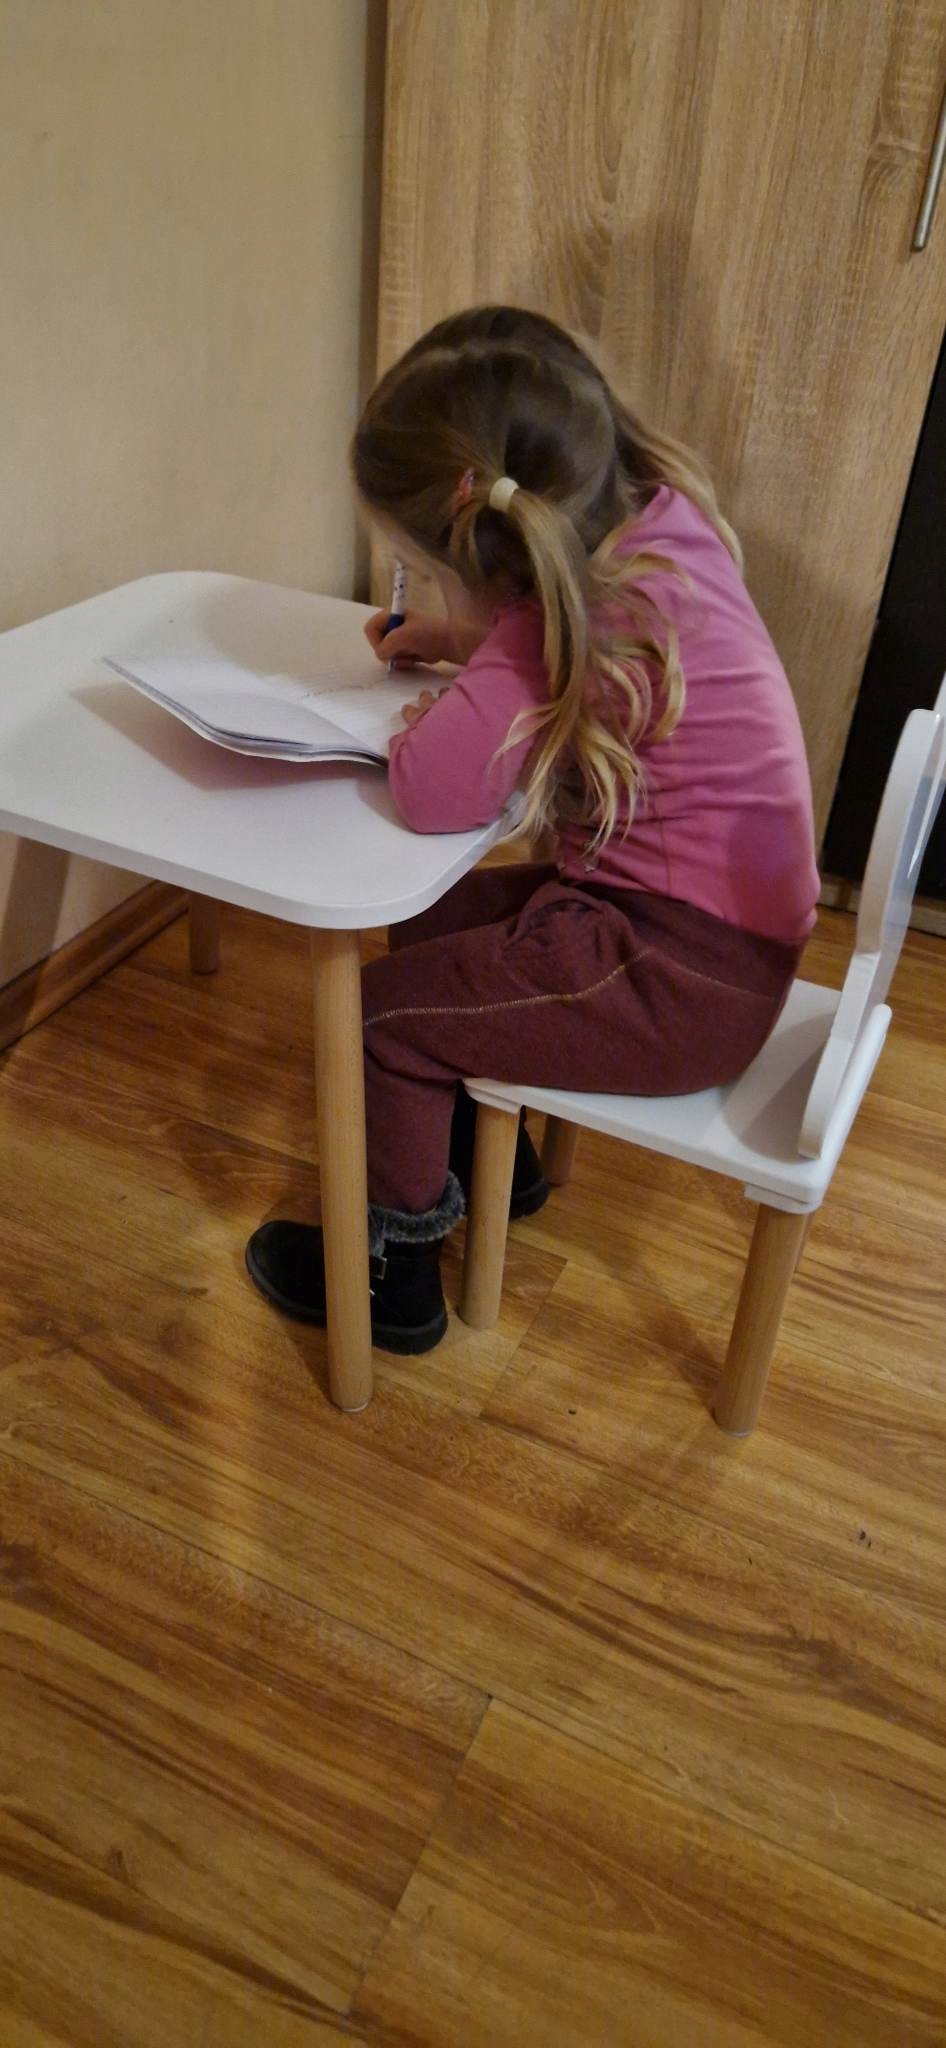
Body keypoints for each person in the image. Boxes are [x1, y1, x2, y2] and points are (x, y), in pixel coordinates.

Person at [246, 305, 819, 1354]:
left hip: (678, 972)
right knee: (434, 921)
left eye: (430, 567)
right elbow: (544, 649)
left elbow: (434, 792)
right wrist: (462, 635)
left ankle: (390, 1277)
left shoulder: (559, 614)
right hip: (717, 942)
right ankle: (485, 1165)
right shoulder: (656, 525)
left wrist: (449, 702)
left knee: (377, 1018)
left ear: (482, 551)